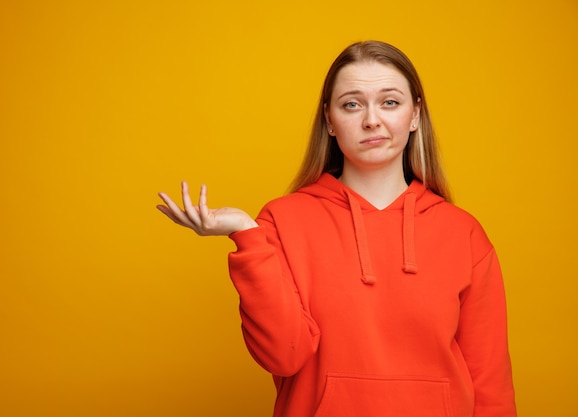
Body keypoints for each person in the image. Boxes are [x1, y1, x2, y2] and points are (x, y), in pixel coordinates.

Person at [157, 40, 517, 417]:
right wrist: (247, 234)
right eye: (352, 104)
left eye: (389, 102)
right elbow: (283, 356)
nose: (371, 120)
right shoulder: (282, 222)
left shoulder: (463, 233)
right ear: (329, 120)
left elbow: (490, 384)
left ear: (414, 116)